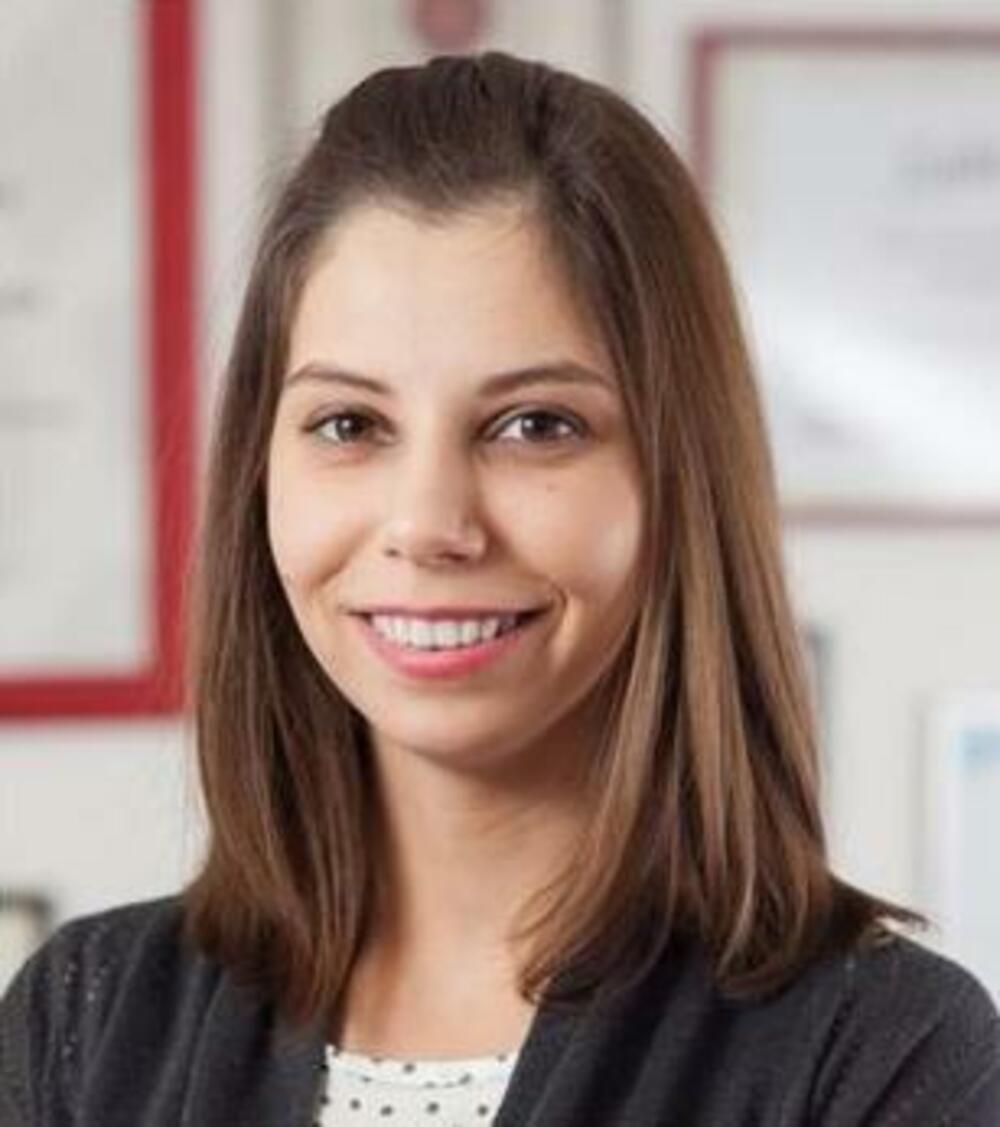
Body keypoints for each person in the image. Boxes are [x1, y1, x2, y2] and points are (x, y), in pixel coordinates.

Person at [1, 50, 998, 1127]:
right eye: (350, 423)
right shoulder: (77, 1022)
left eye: (534, 425)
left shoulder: (882, 1051)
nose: (429, 522)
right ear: (261, 467)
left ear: (681, 479)